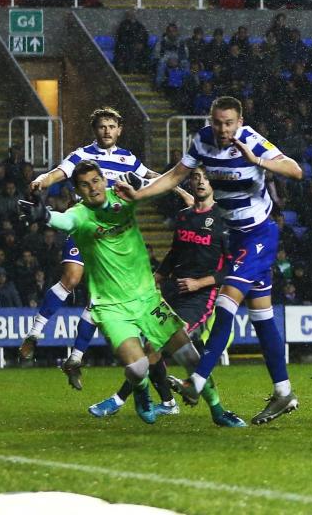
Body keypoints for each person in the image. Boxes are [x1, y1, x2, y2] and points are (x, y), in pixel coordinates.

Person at [118, 96, 304, 425]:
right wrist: (141, 193)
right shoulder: (202, 141)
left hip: (259, 235)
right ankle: (283, 392)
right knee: (262, 318)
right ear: (211, 120)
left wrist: (257, 160)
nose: (222, 129)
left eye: (229, 123)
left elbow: (295, 170)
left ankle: (198, 380)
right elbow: (176, 175)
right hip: (235, 238)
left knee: (226, 301)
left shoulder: (250, 140)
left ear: (240, 121)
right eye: (218, 122)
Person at [19, 161, 244, 427]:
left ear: (104, 180)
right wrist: (44, 215)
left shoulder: (122, 196)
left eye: (95, 181)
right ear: (78, 191)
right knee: (137, 368)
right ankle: (140, 393)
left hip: (148, 299)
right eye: (84, 185)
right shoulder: (78, 214)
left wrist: (142, 183)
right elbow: (63, 220)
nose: (92, 188)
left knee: (191, 358)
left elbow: (153, 188)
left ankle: (218, 411)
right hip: (112, 306)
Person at [19, 107, 173, 390]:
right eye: (102, 126)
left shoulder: (128, 158)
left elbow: (150, 175)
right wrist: (42, 180)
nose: (107, 131)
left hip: (114, 235)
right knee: (71, 279)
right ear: (95, 129)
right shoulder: (82, 155)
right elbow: (59, 172)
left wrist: (177, 184)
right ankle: (35, 332)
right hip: (86, 224)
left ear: (119, 129)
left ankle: (75, 358)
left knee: (101, 298)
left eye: (112, 126)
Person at [87, 166, 232, 422]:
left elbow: (233, 267)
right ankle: (202, 408)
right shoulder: (185, 216)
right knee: (180, 355)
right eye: (196, 177)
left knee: (155, 345)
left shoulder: (224, 219)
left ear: (214, 184)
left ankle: (120, 399)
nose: (200, 182)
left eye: (206, 178)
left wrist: (200, 284)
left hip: (199, 298)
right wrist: (157, 278)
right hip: (172, 291)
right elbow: (174, 254)